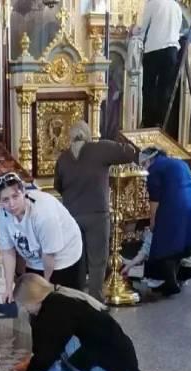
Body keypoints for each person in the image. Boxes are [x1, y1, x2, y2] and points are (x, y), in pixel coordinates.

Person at [0, 171, 83, 371]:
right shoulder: (2, 215)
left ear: (23, 192)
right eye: (5, 200)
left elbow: (49, 255)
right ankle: (39, 357)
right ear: (0, 202)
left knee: (64, 309)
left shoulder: (43, 214)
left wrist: (45, 287)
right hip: (35, 258)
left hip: (64, 256)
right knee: (34, 311)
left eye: (15, 196)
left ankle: (75, 360)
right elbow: (8, 251)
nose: (11, 204)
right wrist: (8, 286)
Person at [15, 273, 140, 371]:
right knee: (64, 344)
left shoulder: (52, 311)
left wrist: (32, 369)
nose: (25, 309)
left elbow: (45, 356)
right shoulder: (67, 296)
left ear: (31, 300)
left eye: (23, 305)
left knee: (48, 346)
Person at [54, 121, 136, 300]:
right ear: (88, 134)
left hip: (72, 216)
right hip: (97, 215)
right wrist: (120, 139)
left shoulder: (63, 158)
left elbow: (58, 185)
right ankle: (95, 301)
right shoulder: (100, 149)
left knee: (77, 260)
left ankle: (77, 299)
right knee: (97, 262)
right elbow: (129, 152)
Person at [138, 147, 191, 296]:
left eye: (143, 165)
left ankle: (167, 282)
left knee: (164, 245)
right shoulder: (179, 163)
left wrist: (153, 224)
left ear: (149, 160)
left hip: (176, 208)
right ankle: (178, 277)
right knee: (184, 243)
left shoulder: (154, 169)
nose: (143, 169)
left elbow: (155, 203)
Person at [139, 0, 183, 128]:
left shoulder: (153, 3)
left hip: (153, 50)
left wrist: (134, 32)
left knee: (149, 87)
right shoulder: (176, 7)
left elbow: (142, 27)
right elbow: (178, 29)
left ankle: (149, 123)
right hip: (171, 52)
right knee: (165, 89)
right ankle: (162, 123)